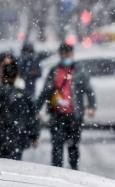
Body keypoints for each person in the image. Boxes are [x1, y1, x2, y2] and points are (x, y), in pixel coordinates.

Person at [36, 42, 96, 170]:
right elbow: (46, 91)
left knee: (73, 145)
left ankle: (74, 170)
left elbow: (89, 90)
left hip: (75, 114)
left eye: (68, 53)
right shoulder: (54, 71)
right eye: (64, 53)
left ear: (72, 54)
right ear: (60, 54)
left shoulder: (80, 70)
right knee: (57, 145)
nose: (66, 56)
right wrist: (37, 108)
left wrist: (92, 106)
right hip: (57, 114)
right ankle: (57, 172)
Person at [0, 62, 39, 160]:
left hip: (2, 138)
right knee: (15, 166)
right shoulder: (24, 95)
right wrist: (34, 136)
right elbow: (32, 116)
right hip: (18, 137)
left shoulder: (2, 92)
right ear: (16, 76)